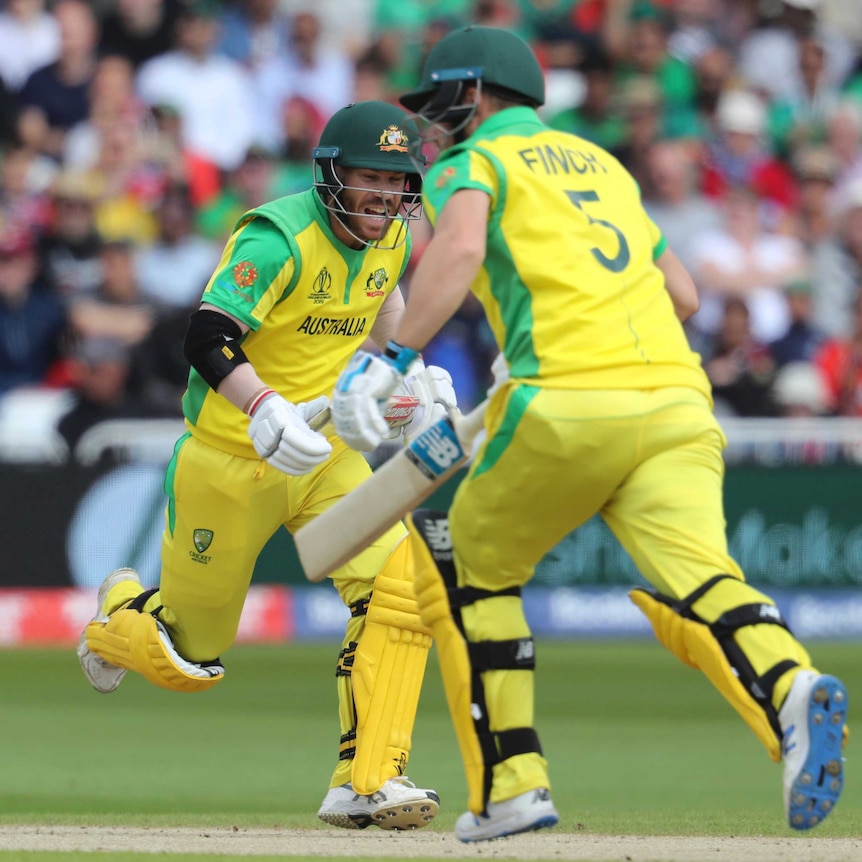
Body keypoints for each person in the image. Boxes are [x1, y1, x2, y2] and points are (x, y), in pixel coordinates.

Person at [330, 25, 849, 843]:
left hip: (566, 400)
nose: (437, 124)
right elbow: (679, 294)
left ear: (474, 94)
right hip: (678, 404)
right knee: (707, 582)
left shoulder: (481, 163)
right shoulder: (605, 166)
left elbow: (460, 247)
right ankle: (790, 685)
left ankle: (512, 785)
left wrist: (389, 358)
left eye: (443, 104)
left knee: (467, 566)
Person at [76, 99, 458, 831]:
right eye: (367, 178)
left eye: (396, 181)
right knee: (192, 656)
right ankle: (116, 618)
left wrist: (407, 374)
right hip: (231, 460)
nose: (383, 196)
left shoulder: (391, 236)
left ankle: (368, 779)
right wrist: (263, 407)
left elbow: (382, 308)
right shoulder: (277, 239)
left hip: (327, 458)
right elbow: (208, 334)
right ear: (330, 176)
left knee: (401, 586)